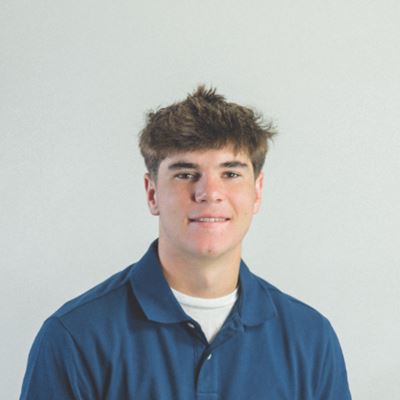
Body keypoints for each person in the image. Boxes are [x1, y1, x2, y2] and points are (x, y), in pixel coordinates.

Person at [20, 86, 352, 399]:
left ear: (257, 191)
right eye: (185, 174)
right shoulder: (76, 336)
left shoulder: (311, 339)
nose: (209, 193)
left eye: (231, 173)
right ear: (152, 194)